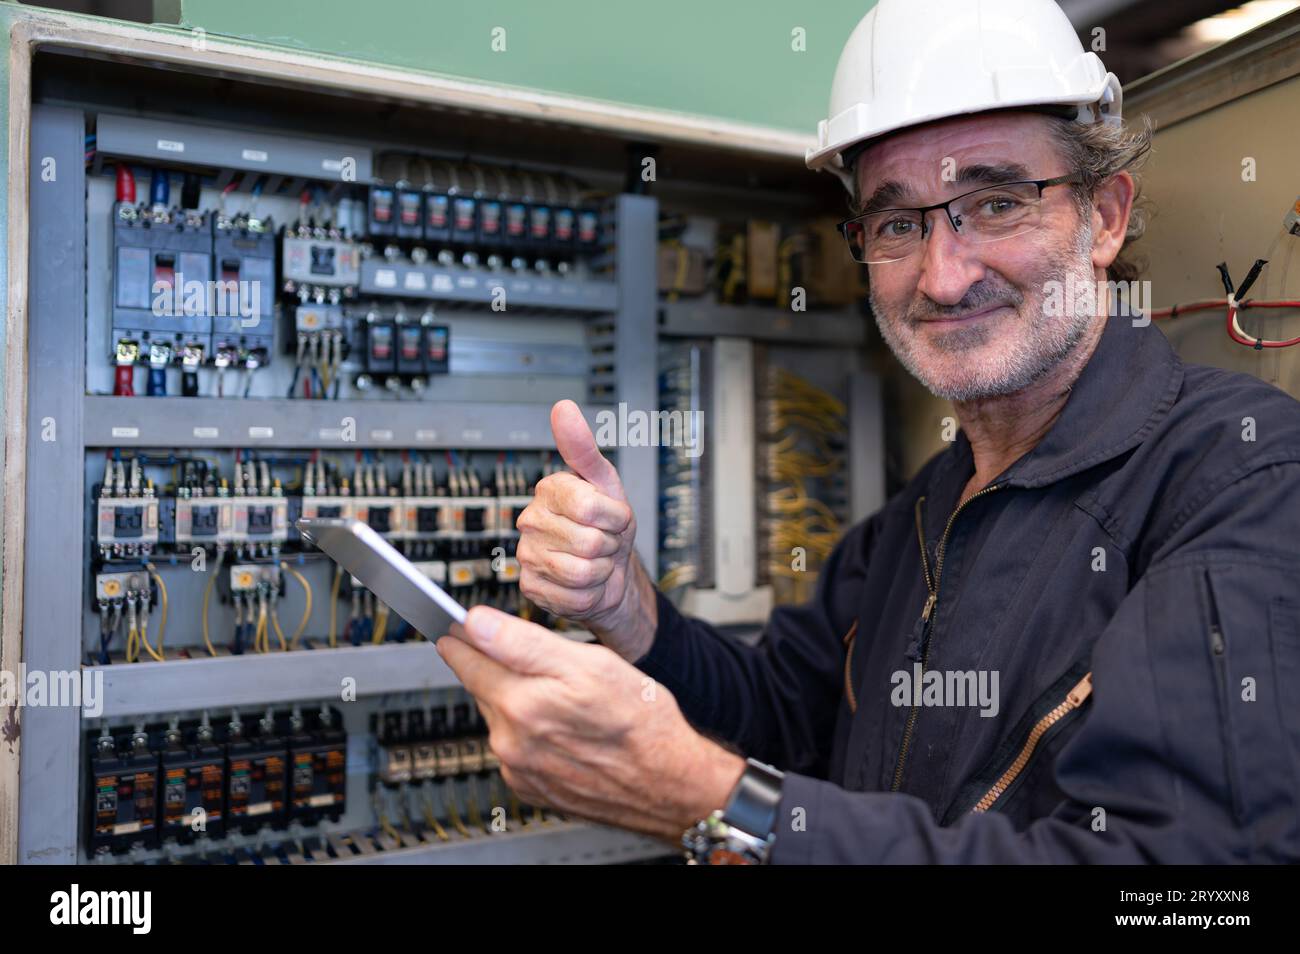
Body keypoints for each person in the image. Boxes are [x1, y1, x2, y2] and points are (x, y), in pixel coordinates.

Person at [436, 0, 1300, 863]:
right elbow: (779, 714)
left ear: (1105, 217)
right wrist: (630, 612)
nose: (944, 275)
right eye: (897, 223)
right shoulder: (916, 522)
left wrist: (708, 799)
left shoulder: (1241, 478)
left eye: (996, 202)